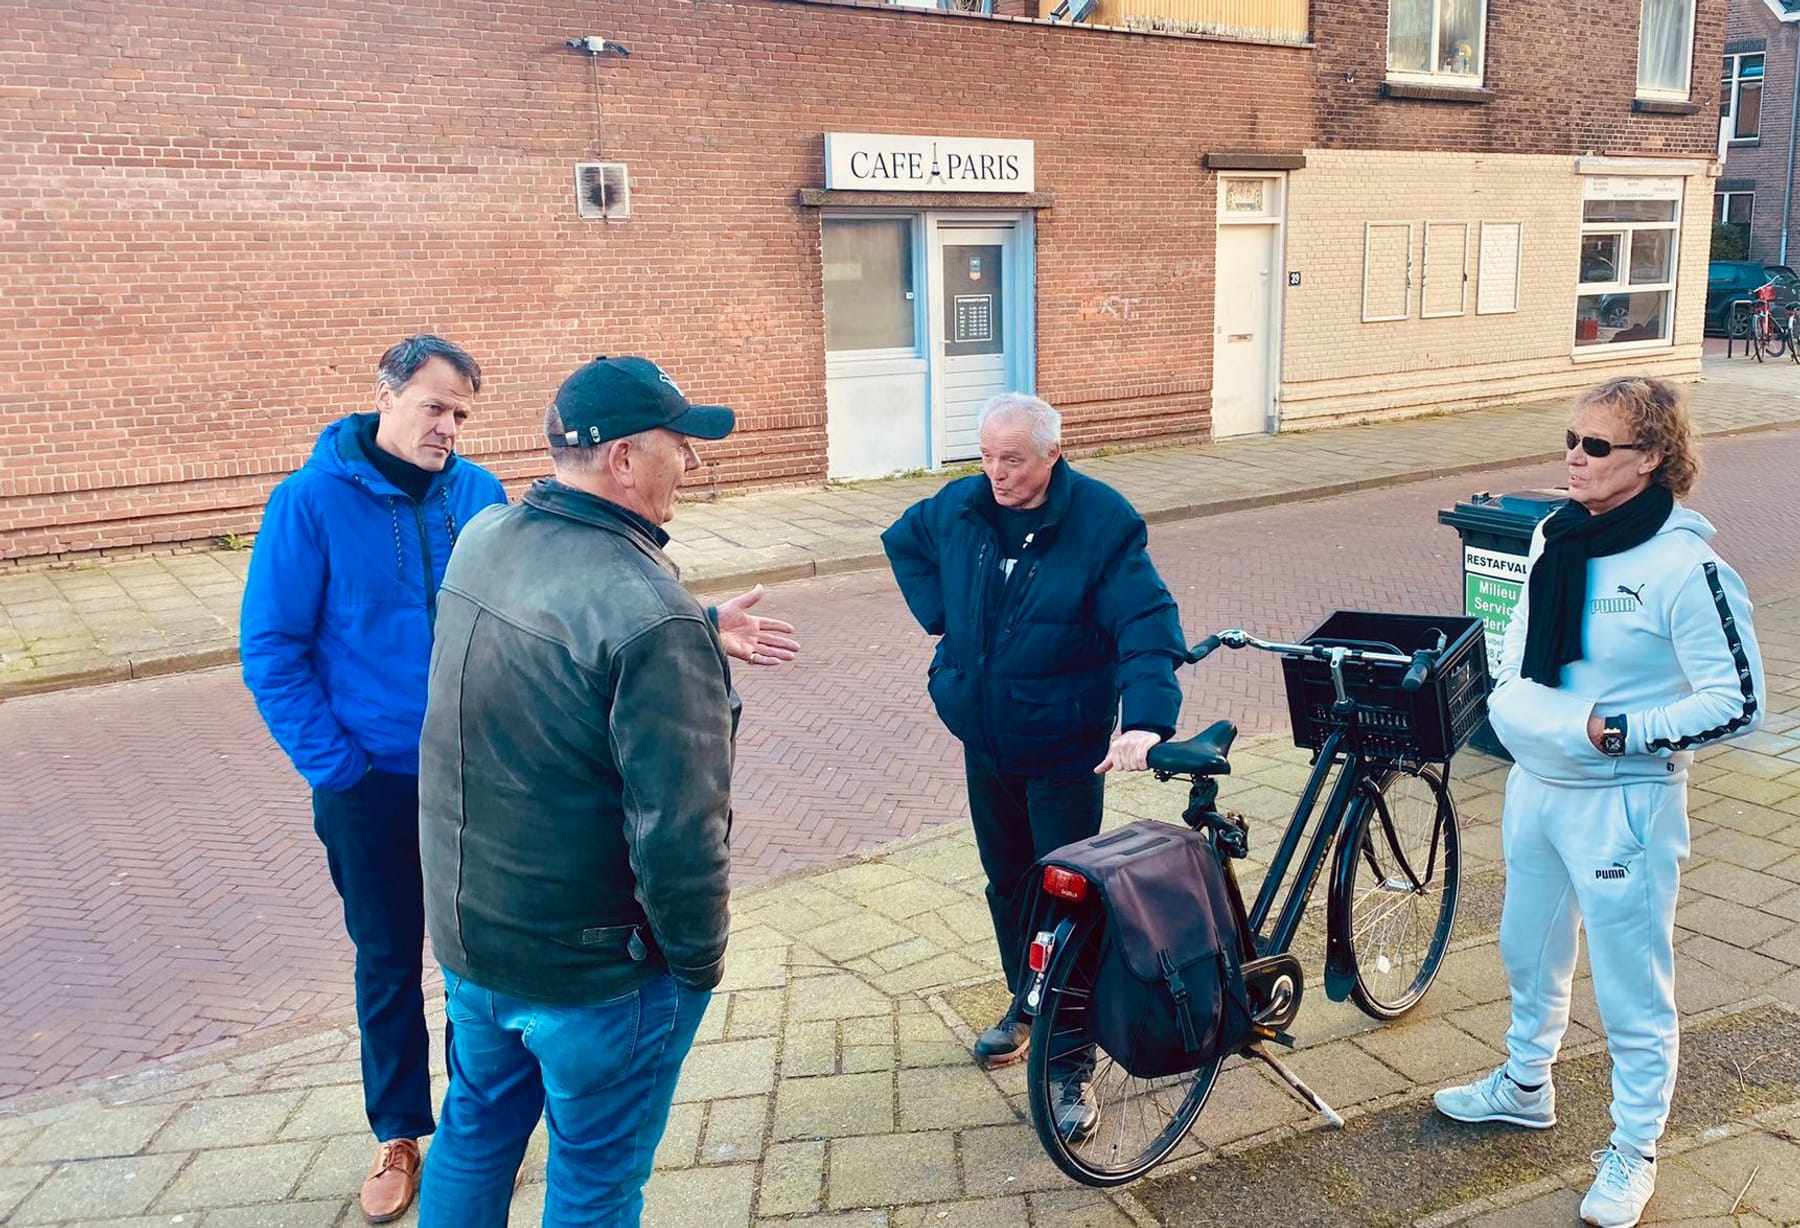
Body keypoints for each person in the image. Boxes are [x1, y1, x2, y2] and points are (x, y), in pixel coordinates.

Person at [415, 355, 799, 1226]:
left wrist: (699, 629)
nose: (691, 465)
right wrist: (696, 969)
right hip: (593, 972)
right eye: (679, 446)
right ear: (624, 459)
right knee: (592, 1187)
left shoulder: (486, 537)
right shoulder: (647, 613)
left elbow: (543, 659)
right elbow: (682, 832)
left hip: (476, 937)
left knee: (474, 1137)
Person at [1433, 377, 1765, 1228]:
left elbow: (1738, 701)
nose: (1573, 458)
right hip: (1536, 785)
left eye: (1596, 446)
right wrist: (1512, 705)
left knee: (1631, 987)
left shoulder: (1687, 567)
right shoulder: (1556, 535)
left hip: (1624, 800)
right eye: (1570, 440)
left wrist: (1618, 732)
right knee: (1523, 948)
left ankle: (1634, 1150)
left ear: (1652, 458)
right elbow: (1511, 647)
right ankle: (1523, 1083)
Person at [240, 335, 506, 1223]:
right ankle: (399, 1132)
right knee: (390, 958)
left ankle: (479, 1117)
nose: (450, 428)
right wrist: (339, 770)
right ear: (385, 395)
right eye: (436, 407)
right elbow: (272, 651)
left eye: (462, 413)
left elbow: (525, 618)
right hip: (370, 782)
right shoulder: (308, 503)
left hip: (477, 777)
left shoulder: (480, 495)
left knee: (485, 949)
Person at [881, 391, 1186, 1129]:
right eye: (985, 457)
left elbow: (1147, 622)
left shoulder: (1102, 522)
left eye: (1011, 460)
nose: (996, 474)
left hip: (1063, 751)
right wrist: (948, 628)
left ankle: (1070, 1064)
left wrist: (1144, 720)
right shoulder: (961, 508)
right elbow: (904, 540)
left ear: (1053, 452)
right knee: (1009, 887)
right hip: (986, 741)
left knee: (1068, 902)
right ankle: (1028, 999)